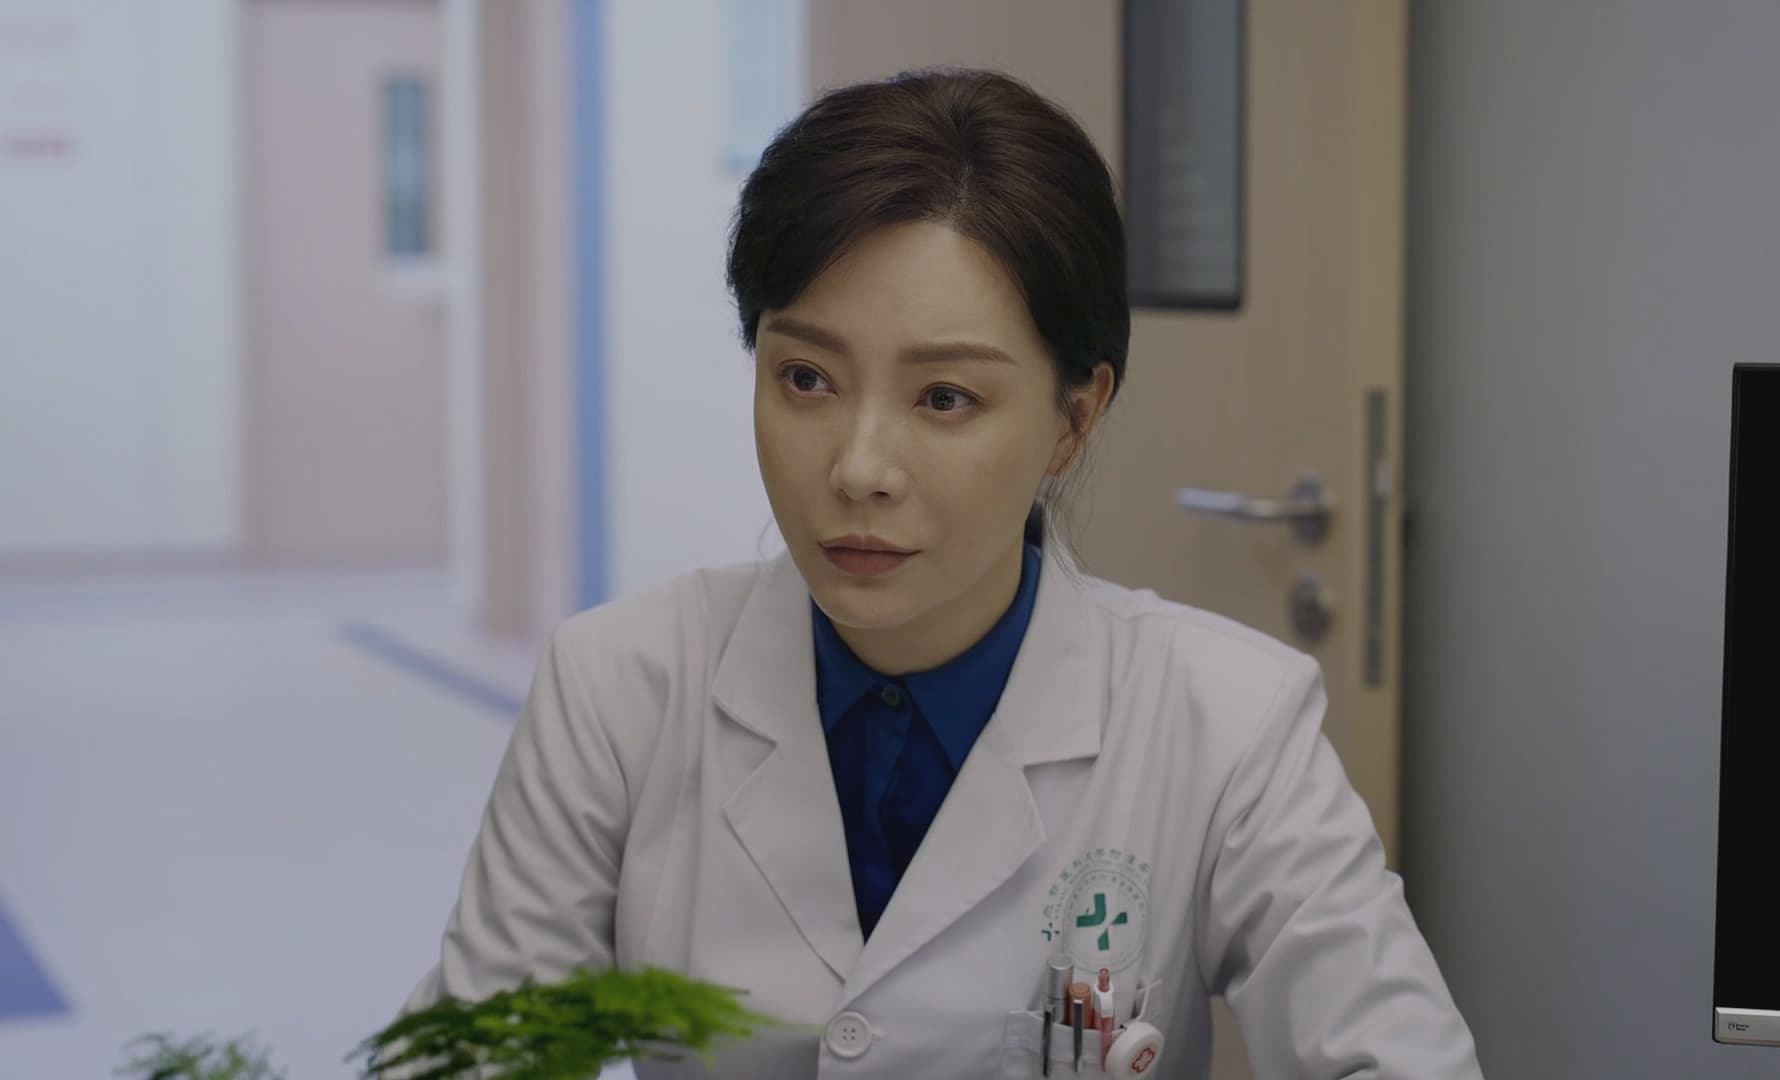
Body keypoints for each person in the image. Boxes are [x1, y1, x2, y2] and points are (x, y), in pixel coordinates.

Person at [401, 67, 1482, 1079]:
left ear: (1073, 418)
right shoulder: (617, 690)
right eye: (806, 377)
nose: (859, 468)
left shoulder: (1227, 724)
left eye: (945, 398)